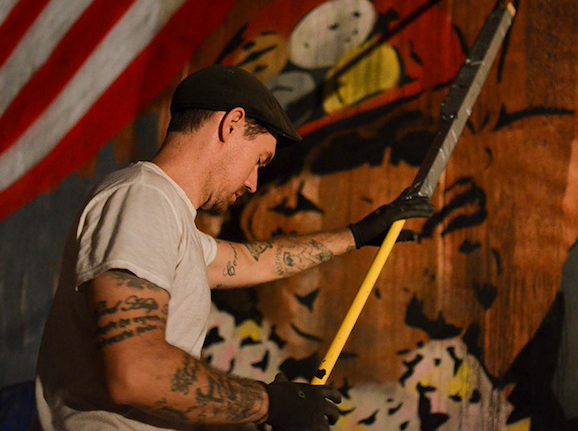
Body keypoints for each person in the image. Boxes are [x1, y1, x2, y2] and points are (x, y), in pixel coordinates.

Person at [33, 65, 434, 430]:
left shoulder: (169, 216)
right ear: (232, 123)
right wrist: (268, 403)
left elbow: (252, 262)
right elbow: (136, 372)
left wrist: (357, 235)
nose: (253, 183)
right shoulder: (143, 199)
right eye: (260, 159)